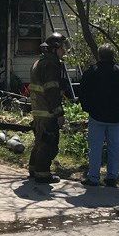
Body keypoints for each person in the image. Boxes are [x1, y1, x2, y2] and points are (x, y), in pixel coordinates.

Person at [78, 44, 119, 187]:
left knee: (95, 148)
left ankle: (93, 177)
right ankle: (111, 177)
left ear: (99, 56)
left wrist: (87, 108)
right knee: (114, 148)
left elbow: (83, 92)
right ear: (113, 56)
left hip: (96, 116)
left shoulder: (92, 72)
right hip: (115, 118)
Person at [28, 32, 70, 183]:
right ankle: (42, 174)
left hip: (38, 110)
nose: (64, 51)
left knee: (40, 141)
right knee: (49, 143)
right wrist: (59, 113)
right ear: (54, 49)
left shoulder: (39, 61)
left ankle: (33, 168)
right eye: (62, 47)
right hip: (47, 111)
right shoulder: (51, 64)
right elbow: (52, 91)